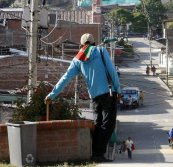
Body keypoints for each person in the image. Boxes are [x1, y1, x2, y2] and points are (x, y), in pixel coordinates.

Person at [44, 33, 121, 163]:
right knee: (108, 124)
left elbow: (65, 78)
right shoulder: (101, 50)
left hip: (94, 97)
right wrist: (118, 89)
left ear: (81, 45)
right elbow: (112, 71)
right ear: (94, 43)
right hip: (108, 94)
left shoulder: (78, 59)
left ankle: (95, 154)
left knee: (98, 124)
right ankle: (98, 153)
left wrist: (52, 94)